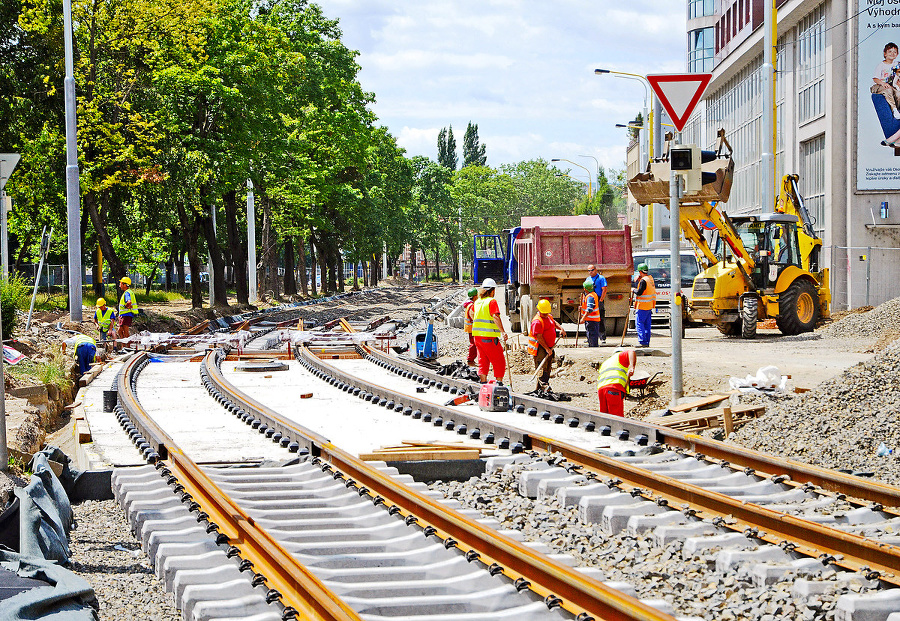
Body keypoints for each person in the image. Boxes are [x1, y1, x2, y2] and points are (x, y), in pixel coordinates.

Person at [472, 277, 508, 383]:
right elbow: (495, 317)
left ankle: (483, 382)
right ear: (492, 291)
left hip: (477, 337)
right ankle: (499, 383)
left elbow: (473, 314)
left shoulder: (477, 302)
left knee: (483, 360)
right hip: (488, 338)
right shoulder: (491, 302)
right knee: (499, 361)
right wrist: (503, 332)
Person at [527, 299, 566, 391]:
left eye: (546, 313)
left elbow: (553, 322)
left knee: (548, 367)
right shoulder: (537, 321)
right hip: (540, 347)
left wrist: (561, 329)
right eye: (544, 313)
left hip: (549, 347)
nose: (545, 314)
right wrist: (546, 349)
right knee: (542, 367)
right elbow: (539, 337)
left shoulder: (548, 316)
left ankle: (541, 388)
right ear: (539, 310)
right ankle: (544, 385)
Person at [596, 348, 637, 417]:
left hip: (601, 390)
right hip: (613, 388)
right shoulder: (619, 356)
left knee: (604, 417)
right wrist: (631, 367)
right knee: (616, 418)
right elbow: (631, 352)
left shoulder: (606, 362)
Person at [873, 42, 900, 125]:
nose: (892, 54)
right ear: (885, 54)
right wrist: (882, 83)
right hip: (879, 86)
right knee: (887, 90)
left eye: (894, 52)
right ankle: (894, 109)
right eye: (890, 51)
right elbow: (875, 78)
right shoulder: (881, 65)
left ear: (897, 54)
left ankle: (898, 109)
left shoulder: (896, 65)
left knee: (898, 94)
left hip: (891, 87)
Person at [633, 263, 656, 348]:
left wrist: (633, 290)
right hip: (649, 306)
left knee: (639, 324)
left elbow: (639, 292)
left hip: (642, 306)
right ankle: (646, 342)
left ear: (639, 271)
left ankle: (642, 341)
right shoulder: (650, 279)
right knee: (647, 325)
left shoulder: (643, 281)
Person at [579, 279, 603, 347]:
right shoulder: (592, 294)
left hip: (592, 321)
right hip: (592, 321)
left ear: (585, 289)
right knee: (591, 337)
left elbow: (589, 309)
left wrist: (583, 318)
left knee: (592, 337)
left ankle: (593, 348)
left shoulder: (590, 297)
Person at [587, 264, 608, 343]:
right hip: (591, 299)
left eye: (592, 270)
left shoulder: (601, 278)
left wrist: (601, 300)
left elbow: (604, 289)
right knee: (590, 319)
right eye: (589, 270)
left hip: (598, 299)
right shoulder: (588, 279)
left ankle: (602, 337)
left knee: (600, 319)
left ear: (595, 270)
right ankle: (589, 337)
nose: (590, 272)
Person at [116, 276, 138, 349]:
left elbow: (129, 301)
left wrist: (127, 306)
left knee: (125, 331)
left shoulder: (127, 293)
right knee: (120, 331)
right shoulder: (129, 292)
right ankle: (124, 345)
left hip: (126, 314)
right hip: (125, 315)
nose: (120, 285)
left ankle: (126, 346)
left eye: (121, 283)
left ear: (125, 285)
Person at [463, 287, 478, 367]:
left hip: (470, 328)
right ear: (475, 296)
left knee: (474, 344)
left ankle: (471, 359)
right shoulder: (472, 306)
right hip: (472, 328)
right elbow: (473, 317)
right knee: (473, 344)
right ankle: (470, 360)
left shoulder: (469, 305)